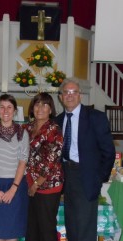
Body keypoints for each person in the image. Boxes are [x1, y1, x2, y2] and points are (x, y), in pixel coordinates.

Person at [56, 79, 115, 241]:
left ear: (80, 95)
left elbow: (108, 151)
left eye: (74, 92)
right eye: (66, 92)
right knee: (71, 224)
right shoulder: (58, 121)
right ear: (60, 97)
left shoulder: (96, 117)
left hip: (86, 177)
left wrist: (99, 178)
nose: (70, 96)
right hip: (66, 176)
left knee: (85, 227)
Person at [0, 93, 29, 241]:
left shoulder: (23, 133)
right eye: (2, 107)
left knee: (12, 236)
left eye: (9, 107)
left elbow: (23, 161)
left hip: (16, 185)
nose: (6, 111)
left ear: (15, 111)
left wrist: (13, 189)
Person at [25, 93, 63, 241]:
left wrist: (37, 183)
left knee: (46, 229)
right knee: (32, 229)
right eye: (37, 104)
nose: (40, 108)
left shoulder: (53, 129)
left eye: (45, 105)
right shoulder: (27, 128)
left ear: (50, 110)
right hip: (29, 183)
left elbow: (52, 159)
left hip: (48, 185)